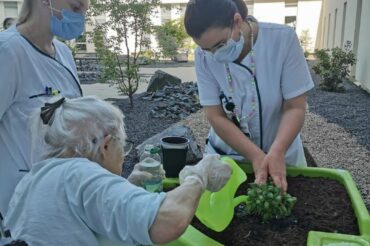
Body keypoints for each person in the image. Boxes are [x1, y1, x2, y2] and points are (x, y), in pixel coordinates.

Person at [4, 96, 232, 245]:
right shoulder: (79, 174)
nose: (123, 154)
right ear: (105, 145)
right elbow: (167, 221)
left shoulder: (33, 180)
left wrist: (126, 187)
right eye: (122, 145)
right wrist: (198, 176)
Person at [184, 0, 314, 192]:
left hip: (282, 154)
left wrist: (277, 151)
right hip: (228, 156)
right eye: (207, 49)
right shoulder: (204, 57)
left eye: (219, 45)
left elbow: (294, 106)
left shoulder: (282, 40)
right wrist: (255, 156)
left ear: (237, 21)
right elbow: (215, 115)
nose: (215, 55)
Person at [0, 0, 87, 216]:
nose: (81, 18)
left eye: (85, 10)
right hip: (19, 200)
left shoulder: (64, 53)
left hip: (61, 193)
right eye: (76, 8)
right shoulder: (8, 52)